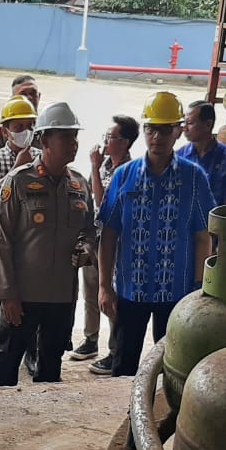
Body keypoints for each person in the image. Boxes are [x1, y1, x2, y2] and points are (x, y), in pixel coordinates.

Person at [99, 92, 214, 378]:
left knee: (172, 369)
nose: (157, 137)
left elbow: (203, 237)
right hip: (130, 291)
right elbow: (109, 234)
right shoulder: (124, 176)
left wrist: (199, 289)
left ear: (178, 131)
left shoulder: (193, 178)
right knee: (123, 366)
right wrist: (104, 286)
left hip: (177, 292)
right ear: (144, 131)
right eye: (151, 129)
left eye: (165, 130)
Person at [0, 102, 96, 387]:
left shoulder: (79, 184)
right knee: (5, 365)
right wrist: (7, 295)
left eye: (75, 136)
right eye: (65, 137)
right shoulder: (19, 181)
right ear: (45, 141)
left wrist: (87, 248)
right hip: (23, 296)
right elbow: (0, 239)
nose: (73, 143)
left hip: (61, 296)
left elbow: (88, 229)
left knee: (50, 371)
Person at [0, 94, 38, 374]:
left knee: (32, 295)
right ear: (5, 131)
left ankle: (31, 350)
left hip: (31, 238)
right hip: (1, 236)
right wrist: (18, 167)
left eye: (28, 126)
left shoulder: (40, 156)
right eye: (17, 127)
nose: (24, 132)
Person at [81, 114, 139, 374]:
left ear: (125, 142)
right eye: (106, 136)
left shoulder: (128, 171)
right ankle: (90, 340)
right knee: (90, 290)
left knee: (112, 297)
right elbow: (89, 198)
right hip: (95, 238)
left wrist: (93, 168)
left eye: (111, 137)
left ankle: (115, 352)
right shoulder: (105, 165)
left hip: (115, 243)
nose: (106, 141)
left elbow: (103, 203)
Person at [177, 101, 226, 206]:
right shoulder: (180, 156)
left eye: (189, 123)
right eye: (184, 123)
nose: (184, 128)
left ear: (208, 125)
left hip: (213, 216)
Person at [0, 75, 41, 151]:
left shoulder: (46, 128)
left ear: (39, 96)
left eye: (33, 93)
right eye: (23, 95)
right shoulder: (4, 130)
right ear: (13, 99)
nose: (29, 97)